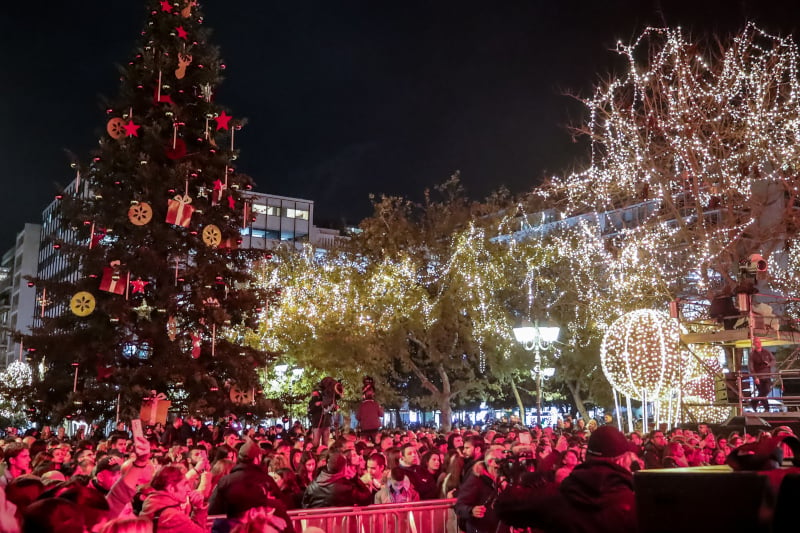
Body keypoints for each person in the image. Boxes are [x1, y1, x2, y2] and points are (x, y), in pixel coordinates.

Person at [495, 425, 638, 533]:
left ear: (586, 456)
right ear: (624, 460)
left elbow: (505, 505)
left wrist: (519, 470)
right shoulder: (638, 503)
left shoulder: (557, 496)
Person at [208, 438, 290, 532]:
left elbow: (212, 508)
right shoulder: (265, 480)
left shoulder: (226, 480)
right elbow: (282, 504)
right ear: (256, 459)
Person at [454, 446, 509, 533]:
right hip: (481, 528)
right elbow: (459, 506)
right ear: (491, 462)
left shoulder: (505, 479)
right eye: (500, 460)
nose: (504, 464)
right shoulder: (476, 480)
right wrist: (471, 510)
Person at [140, 465, 207, 533]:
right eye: (184, 484)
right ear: (171, 489)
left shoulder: (152, 502)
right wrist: (199, 507)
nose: (188, 489)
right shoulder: (173, 516)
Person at [301, 450, 372, 508]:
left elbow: (305, 506)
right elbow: (366, 498)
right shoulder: (346, 488)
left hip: (316, 523)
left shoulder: (312, 485)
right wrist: (355, 478)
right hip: (339, 524)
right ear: (343, 468)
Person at [749, 337, 776, 411]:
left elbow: (773, 360)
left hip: (767, 375)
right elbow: (751, 367)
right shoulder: (752, 355)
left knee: (766, 391)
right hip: (759, 376)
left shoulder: (766, 352)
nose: (759, 343)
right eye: (757, 342)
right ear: (754, 344)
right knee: (762, 393)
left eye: (759, 342)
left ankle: (754, 401)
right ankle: (767, 409)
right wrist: (755, 378)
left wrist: (769, 364)